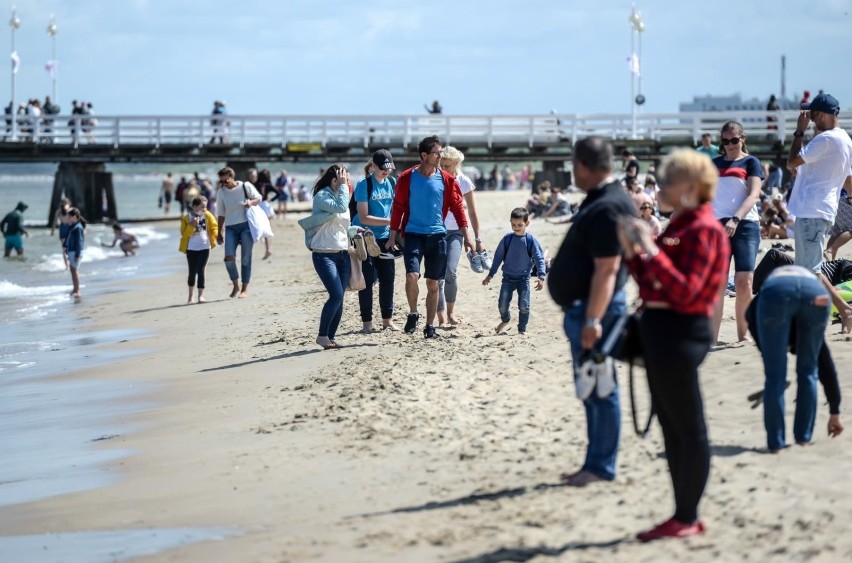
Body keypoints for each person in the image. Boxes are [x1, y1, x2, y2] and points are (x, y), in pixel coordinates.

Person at [618, 148, 730, 542]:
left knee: (688, 428)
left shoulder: (703, 228)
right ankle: (682, 513)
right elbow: (651, 283)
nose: (660, 186)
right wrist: (635, 250)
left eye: (668, 180)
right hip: (662, 330)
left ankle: (687, 516)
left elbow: (685, 292)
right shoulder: (680, 223)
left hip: (682, 331)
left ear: (691, 187)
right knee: (671, 427)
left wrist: (647, 249)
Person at [546, 136, 635, 488]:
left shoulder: (609, 205)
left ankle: (600, 466)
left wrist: (594, 321)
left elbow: (607, 270)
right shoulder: (604, 200)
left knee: (600, 386)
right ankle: (594, 461)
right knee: (590, 386)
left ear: (582, 165)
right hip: (587, 307)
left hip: (594, 309)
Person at [387, 135, 474, 339]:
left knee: (433, 284)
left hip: (437, 236)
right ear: (424, 155)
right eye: (436, 153)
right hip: (413, 234)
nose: (440, 157)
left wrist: (467, 235)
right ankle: (413, 313)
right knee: (412, 276)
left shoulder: (446, 179)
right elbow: (398, 207)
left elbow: (457, 207)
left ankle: (429, 326)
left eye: (441, 153)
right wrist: (392, 236)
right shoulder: (406, 178)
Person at [748, 266, 842, 452]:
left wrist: (769, 352)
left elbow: (750, 319)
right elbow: (826, 366)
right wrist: (835, 411)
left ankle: (775, 445)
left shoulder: (756, 310)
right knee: (809, 372)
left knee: (775, 377)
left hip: (776, 293)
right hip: (816, 291)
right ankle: (803, 440)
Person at [786, 93, 852, 331]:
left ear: (822, 114)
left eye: (812, 114)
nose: (809, 118)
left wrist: (799, 132)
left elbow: (791, 162)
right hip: (823, 209)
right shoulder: (845, 139)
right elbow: (849, 181)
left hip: (812, 210)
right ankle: (819, 316)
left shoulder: (825, 139)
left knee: (811, 270)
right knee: (808, 270)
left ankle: (844, 310)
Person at [710, 121, 764, 343]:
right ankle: (712, 337)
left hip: (745, 224)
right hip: (717, 226)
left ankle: (743, 334)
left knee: (744, 281)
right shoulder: (713, 164)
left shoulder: (751, 162)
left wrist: (735, 218)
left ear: (743, 138)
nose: (730, 145)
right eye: (725, 141)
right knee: (718, 282)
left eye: (734, 140)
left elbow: (753, 194)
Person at [437, 146, 485, 327]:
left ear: (456, 164)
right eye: (442, 165)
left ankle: (451, 313)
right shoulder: (436, 179)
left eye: (447, 165)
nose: (443, 168)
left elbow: (472, 212)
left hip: (456, 232)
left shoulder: (464, 181)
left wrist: (477, 238)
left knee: (450, 271)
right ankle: (441, 317)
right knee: (438, 275)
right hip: (436, 231)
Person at [352, 150, 399, 333]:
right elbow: (363, 218)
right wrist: (391, 221)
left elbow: (395, 210)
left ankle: (387, 320)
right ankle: (367, 323)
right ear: (373, 166)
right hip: (365, 236)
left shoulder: (392, 182)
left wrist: (394, 233)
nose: (386, 172)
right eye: (382, 168)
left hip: (386, 237)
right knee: (368, 280)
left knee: (388, 279)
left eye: (389, 168)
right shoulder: (364, 185)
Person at [483, 208, 547, 335]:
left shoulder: (530, 241)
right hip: (507, 278)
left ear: (527, 223)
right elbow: (497, 258)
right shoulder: (507, 239)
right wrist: (490, 275)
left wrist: (541, 276)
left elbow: (539, 259)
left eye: (520, 225)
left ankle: (522, 330)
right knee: (502, 304)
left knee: (524, 306)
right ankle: (505, 319)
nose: (516, 227)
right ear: (510, 222)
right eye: (513, 225)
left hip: (524, 279)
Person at [308, 165, 352, 349]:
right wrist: (343, 187)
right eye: (343, 180)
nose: (347, 184)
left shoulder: (342, 195)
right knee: (335, 294)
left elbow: (343, 225)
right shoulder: (322, 197)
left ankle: (330, 338)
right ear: (334, 180)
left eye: (347, 180)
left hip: (343, 254)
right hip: (324, 254)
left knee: (340, 297)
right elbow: (341, 206)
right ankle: (322, 335)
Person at [215, 166, 262, 298]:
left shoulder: (245, 186)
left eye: (225, 181)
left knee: (246, 258)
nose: (223, 184)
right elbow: (221, 214)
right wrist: (219, 233)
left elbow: (259, 198)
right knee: (229, 258)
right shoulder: (222, 192)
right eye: (221, 182)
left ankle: (244, 289)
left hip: (246, 226)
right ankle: (235, 285)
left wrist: (251, 202)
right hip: (230, 228)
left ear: (232, 176)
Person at [179, 195, 219, 304]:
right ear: (194, 207)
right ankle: (190, 296)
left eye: (205, 207)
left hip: (205, 247)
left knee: (201, 270)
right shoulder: (186, 218)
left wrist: (216, 236)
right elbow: (184, 234)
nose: (204, 209)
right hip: (191, 248)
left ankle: (201, 296)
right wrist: (192, 225)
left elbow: (214, 227)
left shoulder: (207, 215)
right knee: (192, 272)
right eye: (202, 207)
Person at [65, 207, 85, 298]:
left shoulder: (78, 227)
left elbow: (79, 242)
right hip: (71, 251)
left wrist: (77, 254)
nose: (68, 218)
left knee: (75, 270)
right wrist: (66, 248)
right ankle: (75, 288)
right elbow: (68, 239)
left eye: (70, 217)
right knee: (72, 270)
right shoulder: (72, 226)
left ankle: (77, 290)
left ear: (75, 217)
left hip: (75, 252)